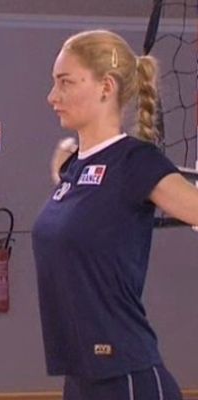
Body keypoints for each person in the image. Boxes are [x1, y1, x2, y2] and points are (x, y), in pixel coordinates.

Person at [32, 29, 198, 400]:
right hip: (81, 378)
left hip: (127, 378)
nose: (52, 97)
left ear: (106, 87)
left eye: (65, 82)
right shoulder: (75, 168)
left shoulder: (136, 163)